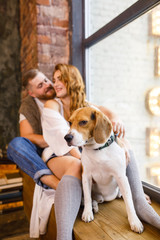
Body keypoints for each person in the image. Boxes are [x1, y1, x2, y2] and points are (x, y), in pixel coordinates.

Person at [41, 63, 160, 234]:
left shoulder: (86, 105)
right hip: (60, 150)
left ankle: (139, 199)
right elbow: (62, 137)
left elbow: (108, 115)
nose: (55, 83)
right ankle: (64, 235)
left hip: (85, 148)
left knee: (125, 144)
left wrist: (118, 131)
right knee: (77, 166)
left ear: (72, 80)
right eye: (54, 80)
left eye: (60, 79)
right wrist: (90, 158)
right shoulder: (52, 104)